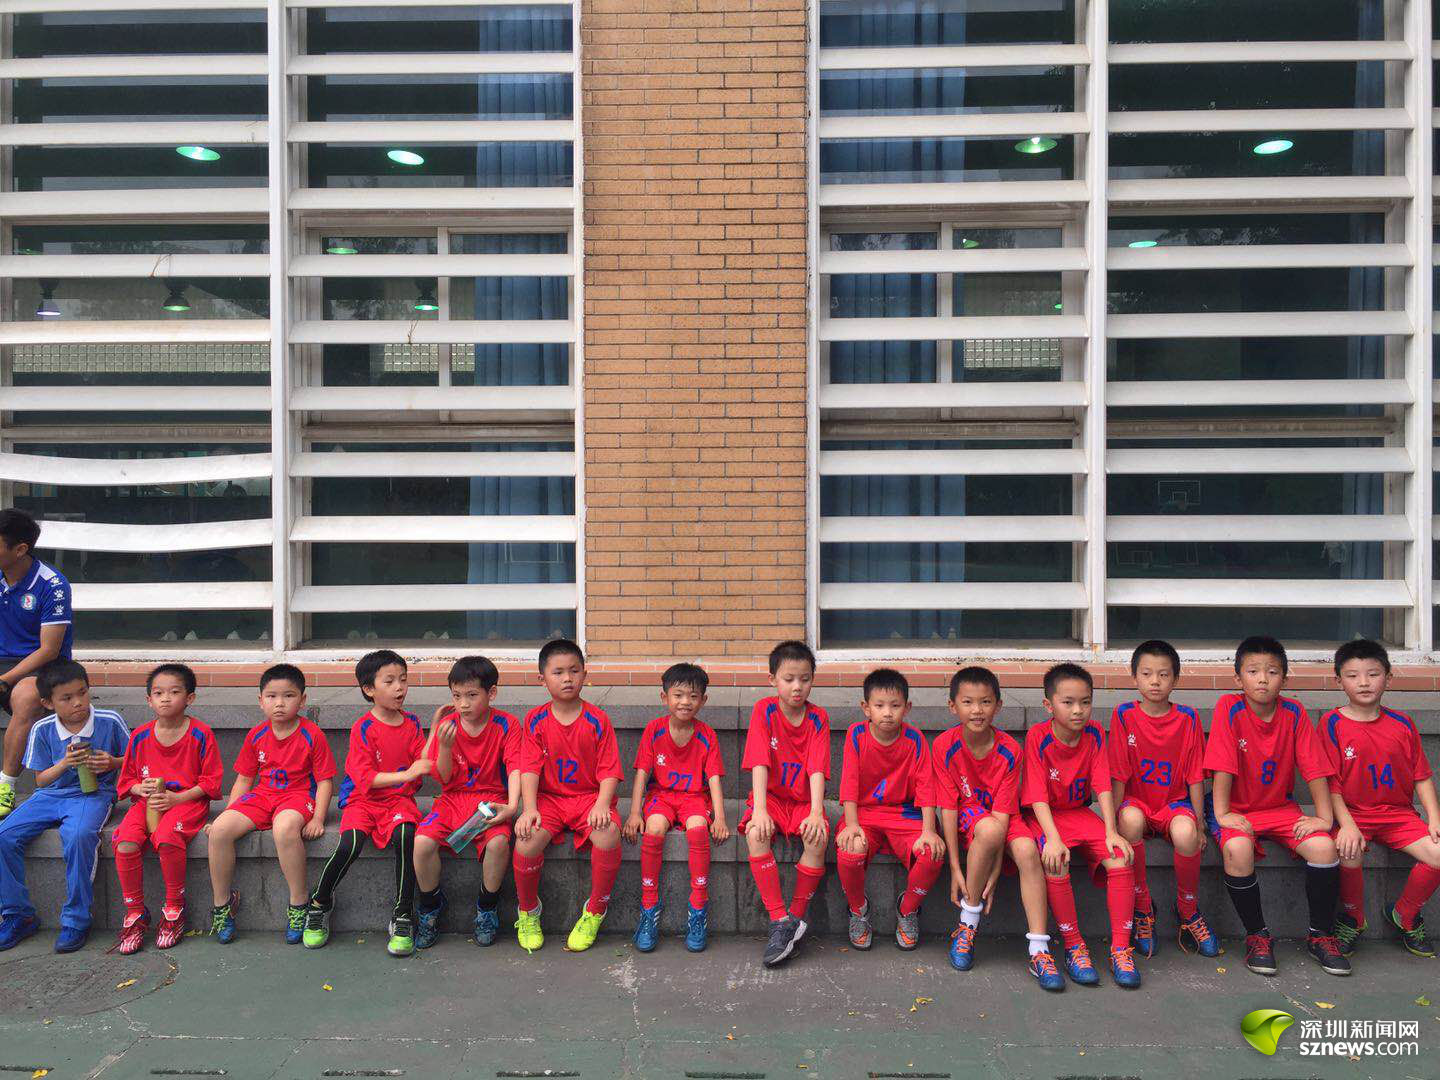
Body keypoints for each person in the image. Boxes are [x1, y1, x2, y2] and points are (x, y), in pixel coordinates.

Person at [1204, 635, 1348, 977]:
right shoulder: (1229, 707)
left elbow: (1314, 766)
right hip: (1237, 808)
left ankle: (1320, 936)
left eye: (1272, 672)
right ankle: (1258, 936)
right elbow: (1223, 763)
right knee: (1238, 849)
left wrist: (1324, 817)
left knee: (1325, 848)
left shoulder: (1294, 712)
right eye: (1253, 671)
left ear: (1285, 678)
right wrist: (1223, 813)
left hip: (1280, 809)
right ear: (1238, 678)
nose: (1263, 679)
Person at [932, 666, 1064, 991]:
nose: (977, 710)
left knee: (1027, 849)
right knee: (989, 830)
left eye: (986, 702)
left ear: (998, 705)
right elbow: (947, 808)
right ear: (953, 706)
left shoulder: (1009, 750)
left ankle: (1039, 950)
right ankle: (968, 923)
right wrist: (954, 867)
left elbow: (1003, 815)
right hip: (968, 816)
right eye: (968, 702)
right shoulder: (944, 745)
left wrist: (994, 870)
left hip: (1000, 817)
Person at [303, 650, 428, 956]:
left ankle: (403, 913)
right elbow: (365, 778)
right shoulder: (363, 727)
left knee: (406, 835)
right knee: (350, 843)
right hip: (363, 800)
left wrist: (438, 743)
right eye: (390, 681)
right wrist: (408, 773)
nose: (399, 687)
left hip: (398, 800)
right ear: (369, 689)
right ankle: (320, 902)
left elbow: (422, 765)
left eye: (403, 680)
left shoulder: (412, 723)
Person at [1022, 663, 1139, 989]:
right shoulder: (1038, 737)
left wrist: (1111, 830)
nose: (1078, 710)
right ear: (1049, 705)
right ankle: (1074, 947)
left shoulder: (1094, 733)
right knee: (1055, 858)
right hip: (1046, 817)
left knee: (1119, 857)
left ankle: (1120, 950)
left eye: (1085, 702)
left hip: (1079, 814)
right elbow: (1037, 795)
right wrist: (1052, 838)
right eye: (1068, 702)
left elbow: (1102, 784)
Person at [1323, 639, 1440, 958]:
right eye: (1353, 675)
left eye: (1373, 674)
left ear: (1388, 678)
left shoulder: (1402, 723)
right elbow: (1331, 784)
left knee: (1438, 852)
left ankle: (1405, 913)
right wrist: (1347, 825)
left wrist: (1434, 818)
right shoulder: (1332, 724)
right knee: (1347, 851)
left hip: (1398, 816)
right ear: (1339, 681)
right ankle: (1353, 918)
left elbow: (1421, 776)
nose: (1363, 682)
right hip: (1353, 814)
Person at [0, 659, 127, 952]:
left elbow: (135, 758)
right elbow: (41, 780)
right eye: (66, 698)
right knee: (4, 835)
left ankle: (76, 920)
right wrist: (65, 763)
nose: (78, 703)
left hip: (93, 795)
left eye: (82, 693)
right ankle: (18, 915)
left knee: (79, 836)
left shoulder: (109, 720)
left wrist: (112, 762)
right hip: (50, 795)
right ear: (48, 703)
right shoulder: (42, 728)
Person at [206, 663, 335, 945]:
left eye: (288, 696)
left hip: (297, 796)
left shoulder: (312, 734)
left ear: (302, 700)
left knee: (284, 827)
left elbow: (325, 781)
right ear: (260, 700)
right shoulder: (256, 735)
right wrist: (228, 813)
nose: (279, 703)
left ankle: (299, 903)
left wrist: (318, 818)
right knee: (220, 831)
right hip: (263, 796)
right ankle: (223, 905)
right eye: (272, 696)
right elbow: (244, 780)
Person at [512, 639, 623, 954]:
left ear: (585, 674)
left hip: (588, 798)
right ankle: (528, 911)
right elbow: (529, 768)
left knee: (608, 832)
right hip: (549, 800)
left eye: (574, 671)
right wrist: (529, 808)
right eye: (558, 672)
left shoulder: (597, 719)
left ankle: (595, 910)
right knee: (526, 839)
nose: (567, 678)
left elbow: (609, 770)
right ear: (542, 679)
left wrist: (602, 804)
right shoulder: (535, 720)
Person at [1108, 640, 1217, 959]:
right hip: (1137, 802)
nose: (1155, 681)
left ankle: (1188, 909)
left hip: (1173, 804)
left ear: (1176, 679)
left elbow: (1195, 775)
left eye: (1163, 674)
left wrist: (1200, 823)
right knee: (1130, 820)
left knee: (1186, 834)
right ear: (1134, 678)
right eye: (1146, 674)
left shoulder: (1188, 718)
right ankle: (1143, 907)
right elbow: (1118, 774)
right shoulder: (1124, 714)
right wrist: (1112, 825)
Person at [111, 663, 223, 953]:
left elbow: (210, 783)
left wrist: (177, 799)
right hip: (147, 804)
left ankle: (174, 909)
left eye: (174, 692)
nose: (165, 699)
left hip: (187, 802)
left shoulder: (201, 734)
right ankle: (135, 912)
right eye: (158, 693)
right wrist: (139, 788)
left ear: (190, 698)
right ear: (148, 700)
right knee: (125, 842)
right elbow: (127, 781)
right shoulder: (140, 736)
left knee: (166, 837)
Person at [413, 655, 521, 949]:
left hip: (491, 800)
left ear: (491, 693)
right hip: (452, 799)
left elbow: (515, 767)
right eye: (457, 696)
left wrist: (512, 806)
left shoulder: (507, 724)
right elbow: (444, 778)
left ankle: (487, 907)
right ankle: (430, 906)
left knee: (498, 844)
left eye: (472, 695)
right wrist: (445, 748)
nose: (463, 704)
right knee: (422, 842)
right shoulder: (448, 725)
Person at [624, 662, 729, 953]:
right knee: (654, 828)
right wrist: (634, 813)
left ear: (703, 700)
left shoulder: (707, 735)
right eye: (678, 695)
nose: (685, 702)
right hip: (661, 796)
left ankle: (698, 907)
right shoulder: (654, 730)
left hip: (694, 797)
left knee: (698, 829)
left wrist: (720, 818)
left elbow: (714, 779)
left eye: (693, 696)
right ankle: (649, 907)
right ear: (665, 697)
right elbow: (642, 773)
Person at [835, 668, 943, 951]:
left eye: (895, 706)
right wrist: (851, 824)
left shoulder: (915, 739)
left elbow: (926, 786)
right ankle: (858, 910)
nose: (887, 713)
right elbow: (849, 781)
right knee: (849, 850)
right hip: (865, 814)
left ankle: (908, 909)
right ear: (866, 708)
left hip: (905, 815)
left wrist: (929, 830)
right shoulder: (857, 735)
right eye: (879, 705)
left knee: (931, 853)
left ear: (907, 707)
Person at [740, 640, 831, 967]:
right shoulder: (764, 710)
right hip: (772, 798)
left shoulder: (818, 717)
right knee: (756, 833)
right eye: (789, 679)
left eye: (804, 679)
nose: (797, 687)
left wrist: (817, 812)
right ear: (773, 680)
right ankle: (779, 919)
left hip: (804, 800)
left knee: (817, 837)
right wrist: (760, 809)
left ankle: (795, 917)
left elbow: (817, 768)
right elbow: (759, 761)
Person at [0, 509, 74, 820]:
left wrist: (5, 679)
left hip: (42, 665)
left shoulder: (52, 584)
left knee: (28, 697)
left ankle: (6, 787)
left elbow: (48, 649)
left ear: (20, 549)